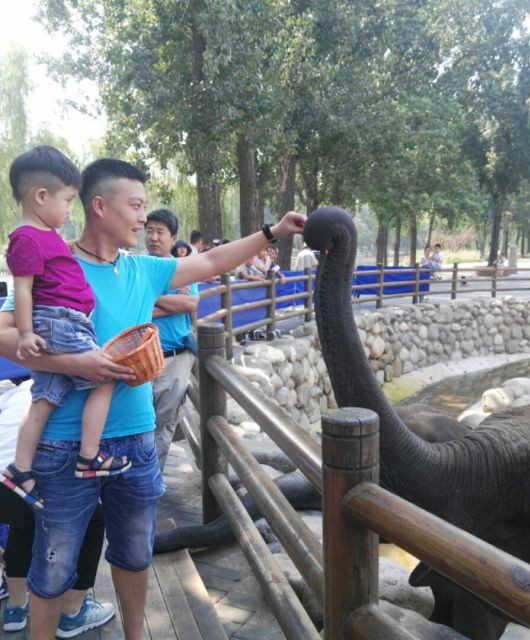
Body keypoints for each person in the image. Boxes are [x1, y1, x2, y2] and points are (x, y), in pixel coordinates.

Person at [0, 157, 305, 640]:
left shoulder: (142, 269)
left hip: (136, 440)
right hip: (62, 446)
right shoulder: (52, 259)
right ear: (100, 206)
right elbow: (3, 333)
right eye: (136, 206)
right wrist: (77, 364)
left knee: (134, 553)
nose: (144, 219)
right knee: (53, 563)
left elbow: (211, 263)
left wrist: (272, 232)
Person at [1, 147, 127, 512]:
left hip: (61, 321)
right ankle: (89, 456)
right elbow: (23, 288)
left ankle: (20, 469)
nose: (70, 210)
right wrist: (26, 333)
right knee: (105, 376)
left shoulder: (43, 235)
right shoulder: (27, 238)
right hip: (60, 322)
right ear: (41, 196)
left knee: (45, 398)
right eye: (68, 200)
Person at [0, 380, 114, 636]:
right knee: (93, 518)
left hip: (6, 481)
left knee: (24, 521)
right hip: (25, 479)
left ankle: (16, 606)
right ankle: (73, 612)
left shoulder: (19, 390)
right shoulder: (77, 395)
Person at [145, 209, 198, 472]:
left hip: (175, 358)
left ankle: (152, 482)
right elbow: (130, 308)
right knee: (137, 423)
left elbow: (190, 304)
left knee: (163, 424)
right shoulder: (138, 267)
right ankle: (136, 481)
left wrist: (149, 299)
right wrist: (172, 301)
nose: (153, 237)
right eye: (149, 231)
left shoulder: (184, 269)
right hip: (141, 359)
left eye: (160, 232)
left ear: (173, 238)